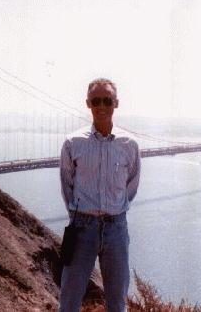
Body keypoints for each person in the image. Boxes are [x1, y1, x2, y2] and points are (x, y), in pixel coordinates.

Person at [59, 78, 141, 312]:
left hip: (117, 228)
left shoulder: (129, 144)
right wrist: (79, 216)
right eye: (96, 101)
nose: (102, 106)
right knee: (69, 300)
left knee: (117, 303)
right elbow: (67, 185)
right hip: (81, 228)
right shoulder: (72, 143)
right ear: (88, 103)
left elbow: (131, 185)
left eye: (107, 100)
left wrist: (115, 209)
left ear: (116, 103)